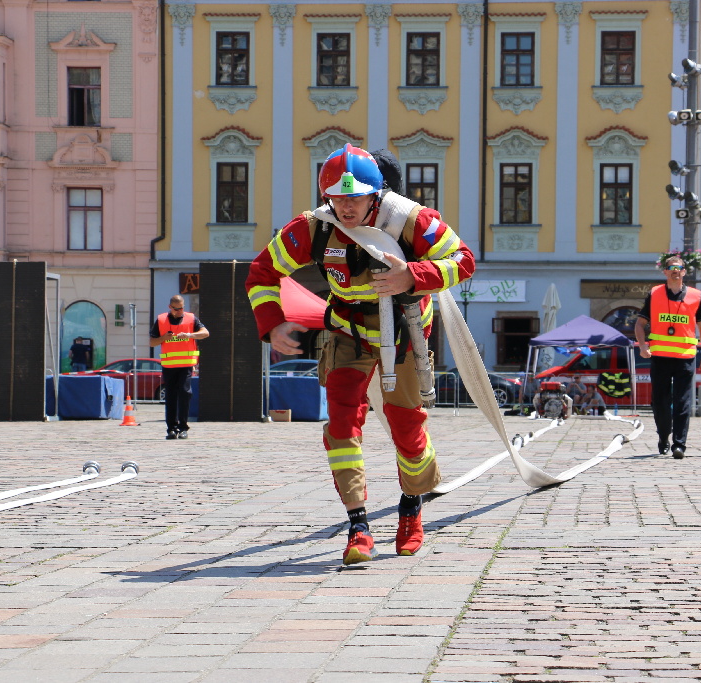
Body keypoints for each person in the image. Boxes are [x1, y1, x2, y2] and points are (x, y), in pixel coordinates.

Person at [245, 143, 475, 565]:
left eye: (355, 198)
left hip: (404, 331)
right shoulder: (312, 229)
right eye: (337, 198)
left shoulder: (412, 221)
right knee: (341, 422)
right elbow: (263, 271)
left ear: (376, 194)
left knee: (407, 427)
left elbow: (463, 260)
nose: (346, 208)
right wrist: (272, 322)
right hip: (347, 331)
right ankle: (358, 525)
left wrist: (413, 275)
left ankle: (411, 507)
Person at [634, 255, 701, 459]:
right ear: (665, 272)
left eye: (679, 267)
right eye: (671, 268)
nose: (675, 270)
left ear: (684, 272)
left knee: (682, 402)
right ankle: (663, 437)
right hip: (659, 357)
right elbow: (640, 324)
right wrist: (642, 346)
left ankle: (679, 444)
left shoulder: (695, 296)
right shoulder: (655, 294)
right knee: (659, 402)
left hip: (685, 358)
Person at [150, 295, 209, 439]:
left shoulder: (191, 318)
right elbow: (152, 342)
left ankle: (183, 428)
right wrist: (163, 338)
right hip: (169, 365)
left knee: (184, 393)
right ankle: (171, 429)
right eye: (176, 309)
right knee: (170, 396)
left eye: (181, 308)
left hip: (186, 365)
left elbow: (205, 333)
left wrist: (189, 335)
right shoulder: (161, 320)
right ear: (170, 307)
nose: (179, 311)